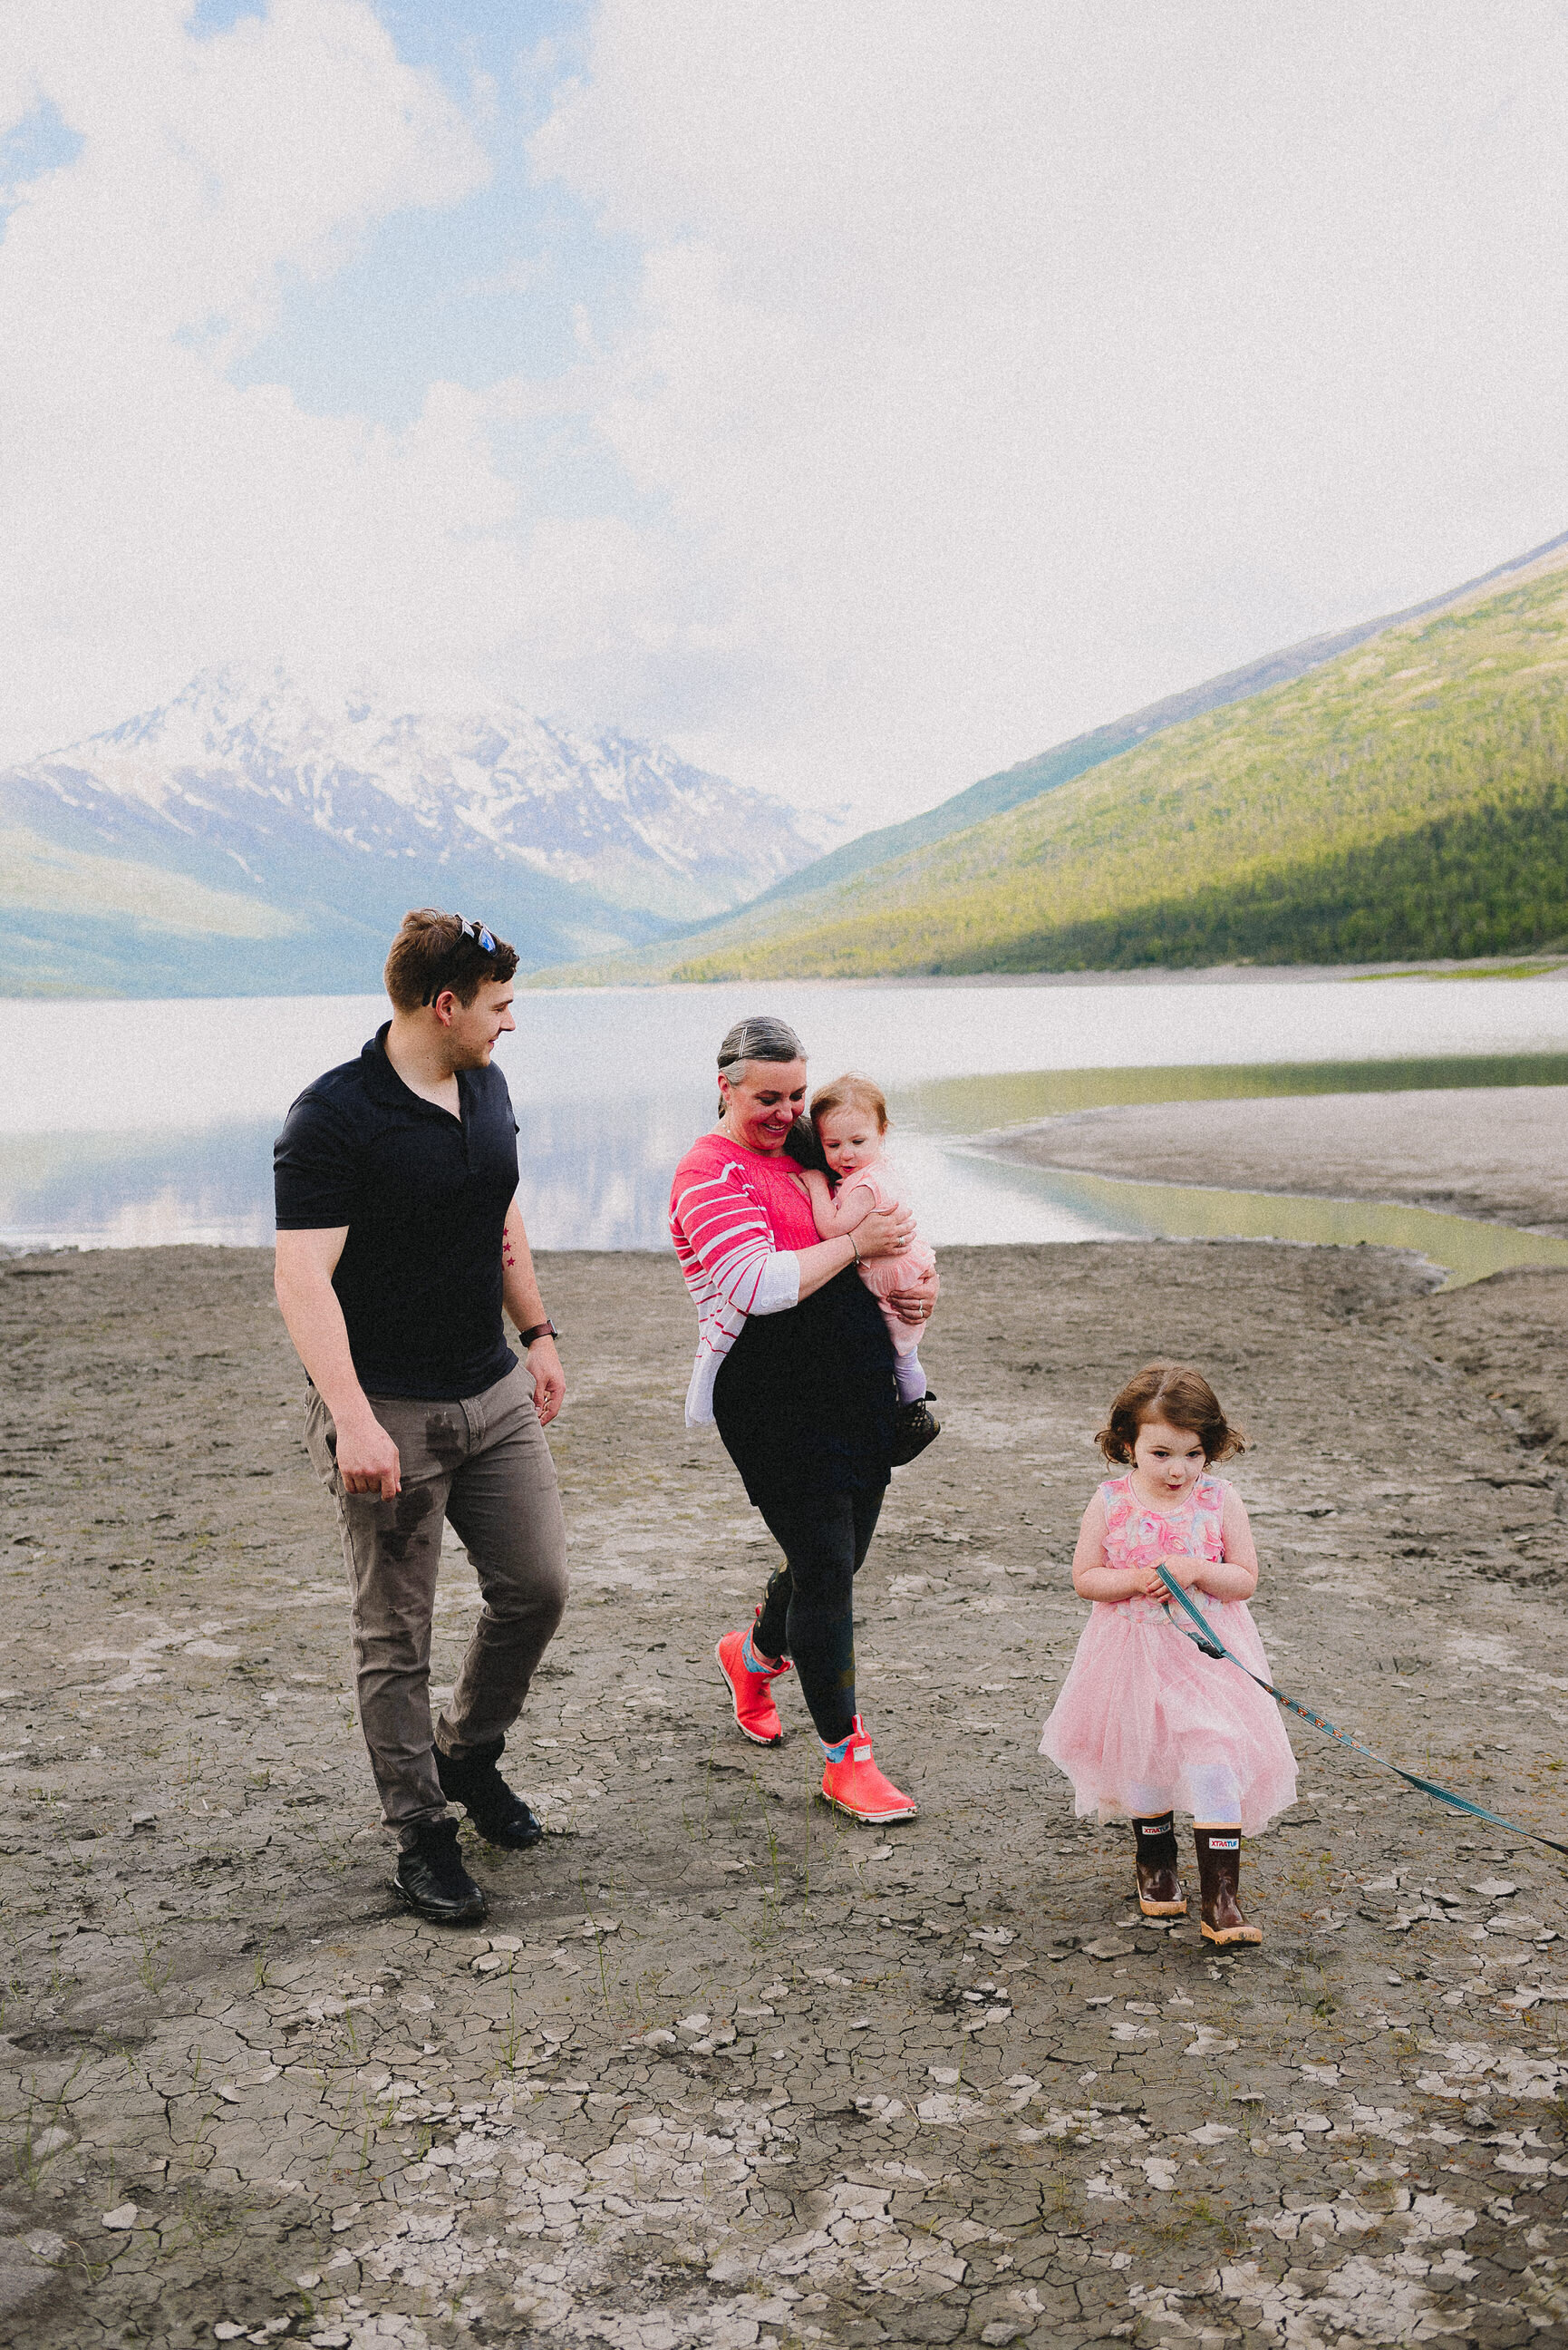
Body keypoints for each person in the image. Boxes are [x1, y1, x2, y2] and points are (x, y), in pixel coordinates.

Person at [273, 909, 568, 1928]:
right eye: (498, 1006)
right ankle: (422, 1833)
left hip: (489, 1388)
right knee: (394, 1633)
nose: (509, 1023)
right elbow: (301, 1278)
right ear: (445, 1006)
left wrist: (537, 1333)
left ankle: (468, 1754)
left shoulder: (484, 1084)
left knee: (536, 1588)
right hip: (387, 1405)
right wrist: (353, 1422)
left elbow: (499, 1211)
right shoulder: (334, 1117)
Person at [670, 1016, 937, 1821]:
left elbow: (890, 1226)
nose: (785, 1113)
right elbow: (757, 1284)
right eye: (766, 1097)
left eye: (794, 1096)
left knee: (841, 1556)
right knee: (824, 1567)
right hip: (771, 1399)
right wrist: (855, 1246)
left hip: (857, 1390)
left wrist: (922, 1289)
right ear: (725, 1086)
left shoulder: (805, 1153)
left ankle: (752, 1656)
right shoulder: (706, 1174)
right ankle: (846, 1760)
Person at [1038, 1363, 1297, 1947]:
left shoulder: (1219, 1500)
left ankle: (1222, 1899)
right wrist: (1132, 1579)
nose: (1178, 1470)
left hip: (1210, 1659)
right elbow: (1085, 1578)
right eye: (1160, 1453)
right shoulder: (1110, 1502)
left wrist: (1198, 1569)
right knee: (1145, 1755)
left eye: (1194, 1454)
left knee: (1215, 1757)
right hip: (1131, 1653)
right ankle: (1155, 1865)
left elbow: (1246, 1578)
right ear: (1127, 1445)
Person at [799, 1072, 940, 1459]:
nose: (845, 1154)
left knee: (903, 1355)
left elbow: (831, 1228)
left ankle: (915, 1414)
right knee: (903, 1354)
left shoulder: (864, 1186)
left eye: (858, 1142)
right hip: (902, 1267)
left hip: (894, 1283)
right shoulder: (879, 1167)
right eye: (833, 1144)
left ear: (882, 1132)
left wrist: (814, 1184)